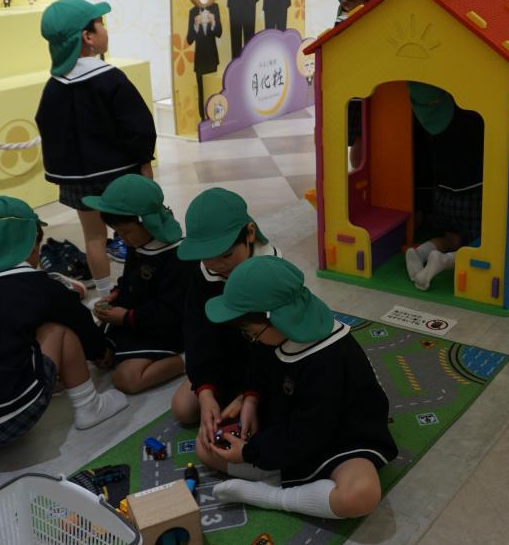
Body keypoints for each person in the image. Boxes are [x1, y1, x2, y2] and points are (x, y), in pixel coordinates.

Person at [0, 197, 127, 464]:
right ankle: (90, 406)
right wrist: (102, 351)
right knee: (58, 329)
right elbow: (80, 322)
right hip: (10, 419)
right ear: (29, 245)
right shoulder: (39, 287)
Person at [203, 256, 397, 520]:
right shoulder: (276, 333)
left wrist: (251, 452)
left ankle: (272, 496)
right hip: (290, 432)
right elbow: (259, 367)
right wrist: (250, 399)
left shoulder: (330, 359)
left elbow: (312, 431)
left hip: (339, 438)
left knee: (360, 495)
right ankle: (276, 472)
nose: (251, 339)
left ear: (278, 319)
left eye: (252, 333)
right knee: (204, 448)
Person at [35, 0, 157, 297]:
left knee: (93, 237)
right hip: (121, 174)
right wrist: (144, 161)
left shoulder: (54, 86)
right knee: (135, 231)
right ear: (88, 37)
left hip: (80, 180)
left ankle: (103, 295)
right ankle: (142, 288)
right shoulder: (111, 78)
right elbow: (139, 125)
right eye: (101, 24)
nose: (105, 29)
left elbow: (46, 126)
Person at [171, 188, 281, 455]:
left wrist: (249, 394)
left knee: (270, 418)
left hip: (270, 367)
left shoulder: (272, 273)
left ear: (250, 234)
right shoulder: (202, 274)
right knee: (183, 408)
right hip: (225, 361)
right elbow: (197, 335)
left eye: (226, 255)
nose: (219, 265)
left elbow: (277, 346)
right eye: (208, 258)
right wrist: (205, 391)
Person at [83, 175, 189, 394]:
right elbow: (131, 280)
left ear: (146, 222)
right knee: (96, 352)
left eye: (126, 232)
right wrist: (116, 294)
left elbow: (172, 312)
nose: (123, 239)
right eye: (118, 233)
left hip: (165, 329)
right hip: (137, 320)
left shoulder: (177, 256)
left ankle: (189, 358)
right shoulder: (138, 243)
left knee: (127, 379)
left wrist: (126, 317)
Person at [405, 83, 485, 290]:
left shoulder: (427, 114)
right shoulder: (466, 113)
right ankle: (444, 261)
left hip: (443, 195)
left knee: (451, 238)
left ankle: (419, 252)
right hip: (474, 193)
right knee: (482, 243)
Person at [333, 0, 381, 170]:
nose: (373, 3)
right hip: (355, 93)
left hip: (367, 87)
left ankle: (365, 169)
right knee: (361, 136)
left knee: (368, 133)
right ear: (346, 5)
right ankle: (358, 170)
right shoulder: (344, 24)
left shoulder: (363, 18)